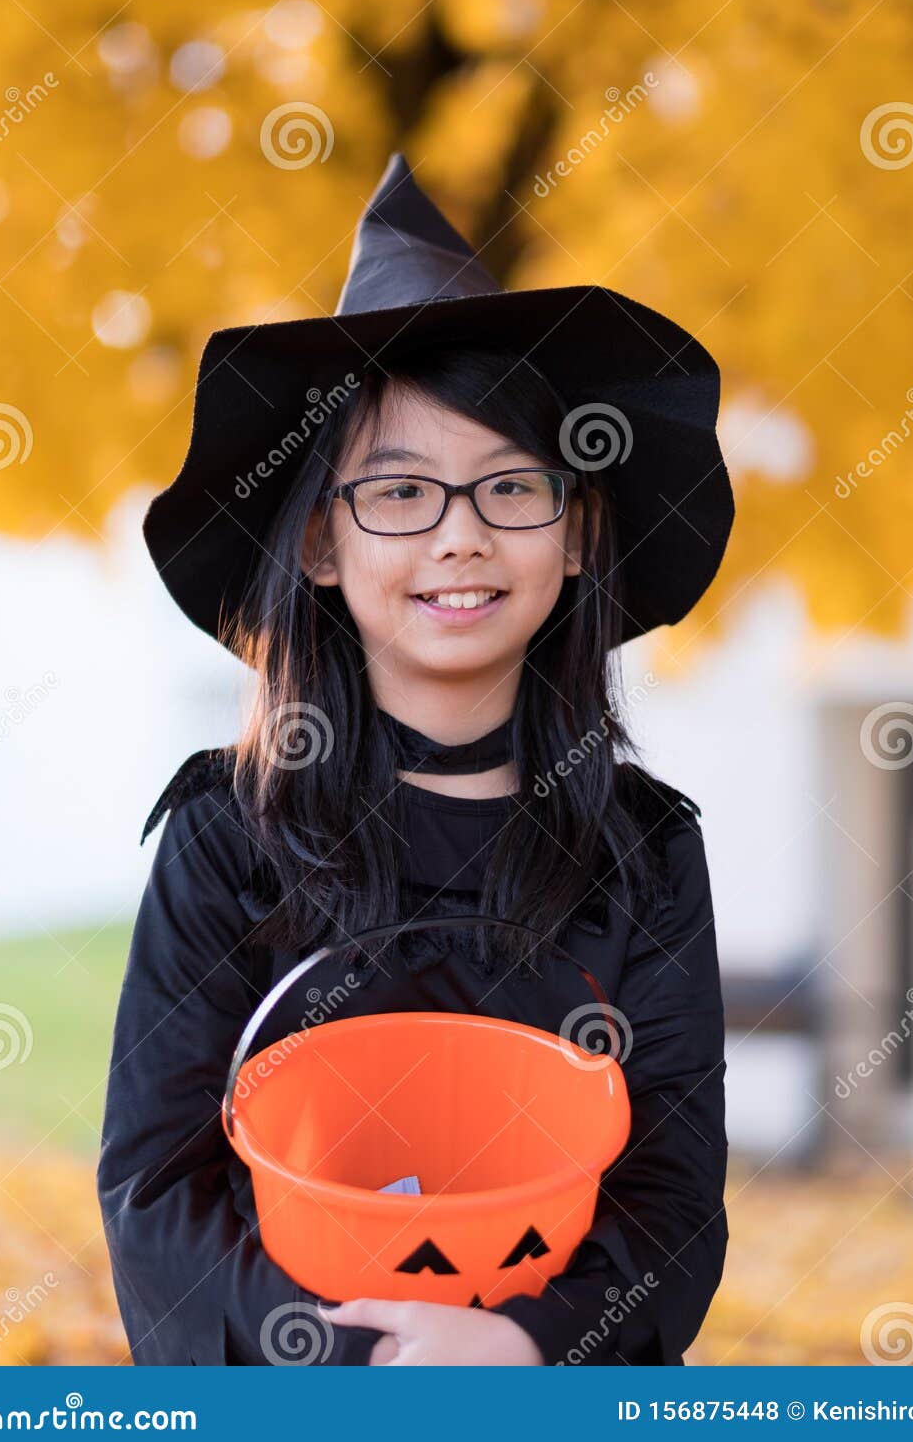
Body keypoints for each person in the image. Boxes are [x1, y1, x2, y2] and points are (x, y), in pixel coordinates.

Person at [96, 153, 735, 1366]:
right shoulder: (230, 837)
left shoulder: (642, 852)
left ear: (579, 531)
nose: (460, 536)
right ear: (324, 545)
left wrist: (526, 1348)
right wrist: (356, 1368)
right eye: (398, 492)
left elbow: (670, 1194)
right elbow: (154, 1186)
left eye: (510, 487)